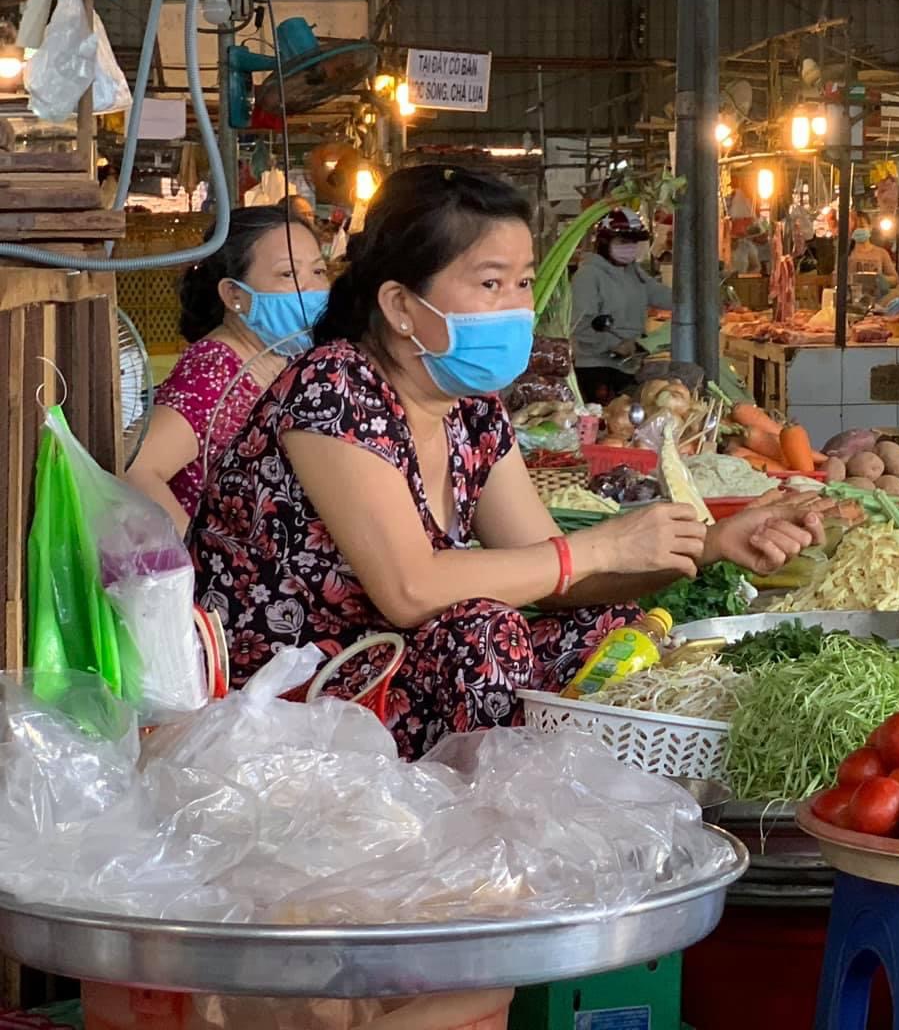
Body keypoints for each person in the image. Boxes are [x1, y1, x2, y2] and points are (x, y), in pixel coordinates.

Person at [188, 166, 824, 760]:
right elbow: (411, 590)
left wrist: (706, 544)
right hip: (290, 694)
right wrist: (598, 547)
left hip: (397, 669)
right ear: (402, 305)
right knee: (482, 634)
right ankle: (485, 833)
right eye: (491, 282)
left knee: (610, 630)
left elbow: (554, 572)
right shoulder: (334, 388)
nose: (518, 305)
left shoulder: (470, 410)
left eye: (523, 282)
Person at [129, 204, 328, 533]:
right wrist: (197, 561)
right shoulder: (214, 371)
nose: (311, 289)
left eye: (319, 272)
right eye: (288, 274)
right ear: (234, 294)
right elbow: (135, 465)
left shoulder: (285, 358)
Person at [571, 209, 670, 404]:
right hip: (598, 369)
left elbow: (658, 293)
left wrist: (694, 301)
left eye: (633, 243)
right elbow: (580, 325)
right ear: (604, 243)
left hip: (630, 365)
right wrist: (613, 345)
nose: (629, 248)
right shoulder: (588, 276)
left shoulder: (633, 272)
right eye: (623, 242)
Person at [845, 219, 899, 287]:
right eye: (855, 227)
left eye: (862, 226)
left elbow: (895, 280)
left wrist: (877, 280)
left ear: (870, 227)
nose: (858, 230)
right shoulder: (845, 255)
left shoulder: (881, 253)